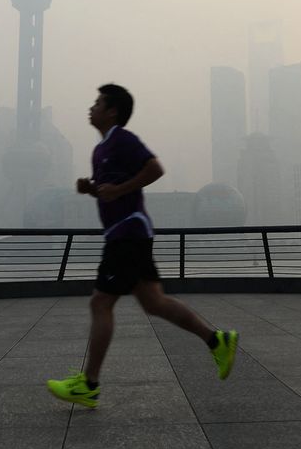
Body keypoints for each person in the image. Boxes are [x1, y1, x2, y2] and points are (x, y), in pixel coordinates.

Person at [46, 83, 238, 408]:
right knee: (154, 302)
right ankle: (217, 340)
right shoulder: (100, 149)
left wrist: (119, 190)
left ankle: (89, 385)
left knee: (100, 303)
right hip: (125, 233)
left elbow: (155, 170)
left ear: (113, 112)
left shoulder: (123, 139)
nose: (91, 108)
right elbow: (110, 188)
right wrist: (91, 189)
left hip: (128, 232)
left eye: (98, 103)